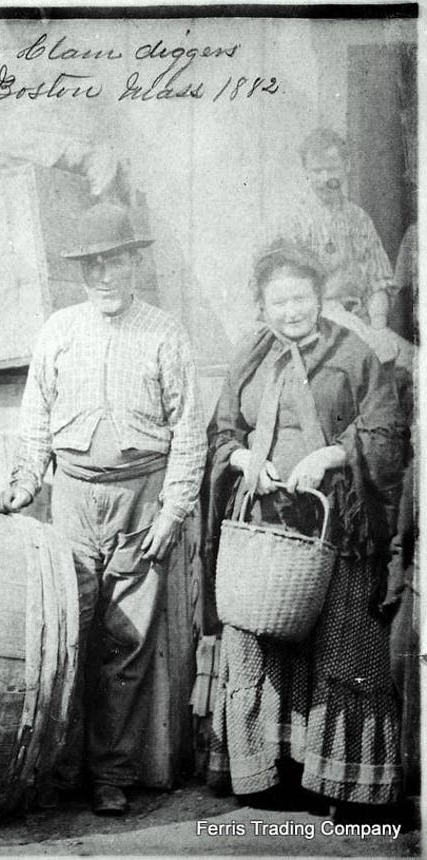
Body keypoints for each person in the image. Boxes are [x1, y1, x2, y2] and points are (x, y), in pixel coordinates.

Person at [0, 201, 207, 816]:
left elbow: (189, 432)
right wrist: (25, 480)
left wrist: (171, 512)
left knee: (126, 643)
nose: (105, 277)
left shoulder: (166, 333)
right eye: (92, 266)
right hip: (73, 499)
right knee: (63, 635)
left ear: (135, 261)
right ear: (79, 273)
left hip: (141, 502)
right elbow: (35, 421)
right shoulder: (59, 330)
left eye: (115, 261)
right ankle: (54, 770)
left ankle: (109, 774)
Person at [205, 241, 406, 817]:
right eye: (278, 301)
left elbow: (388, 433)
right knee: (260, 641)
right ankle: (269, 775)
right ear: (262, 306)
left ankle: (342, 783)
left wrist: (332, 457)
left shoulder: (355, 355)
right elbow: (223, 431)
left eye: (301, 298)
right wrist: (245, 461)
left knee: (341, 643)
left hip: (335, 522)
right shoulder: (251, 357)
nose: (291, 310)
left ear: (320, 297)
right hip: (266, 526)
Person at [274, 128, 396, 331]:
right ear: (305, 171)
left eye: (332, 169)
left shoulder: (359, 219)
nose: (325, 179)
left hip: (361, 320)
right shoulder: (293, 220)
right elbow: (287, 290)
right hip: (313, 323)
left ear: (346, 166)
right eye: (317, 171)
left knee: (401, 354)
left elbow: (378, 281)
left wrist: (378, 325)